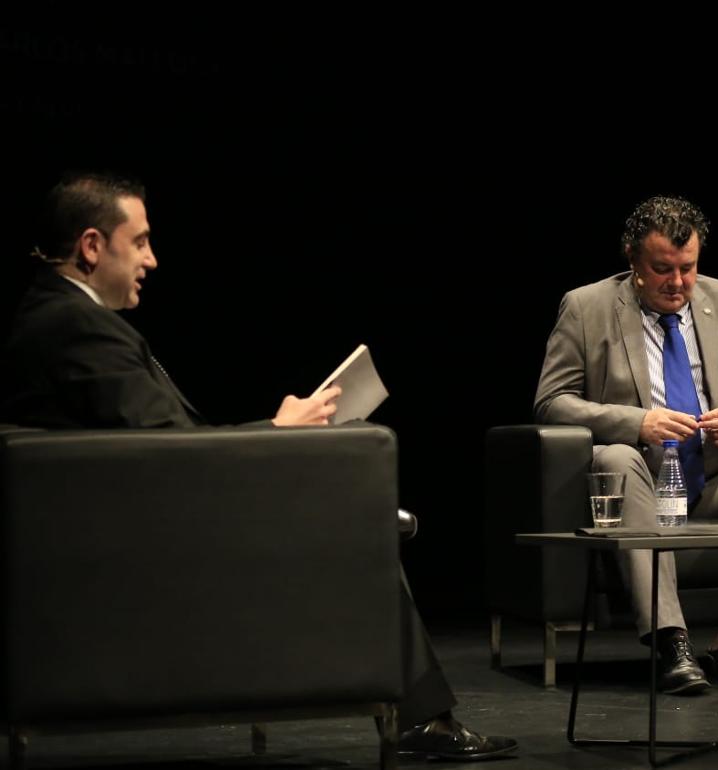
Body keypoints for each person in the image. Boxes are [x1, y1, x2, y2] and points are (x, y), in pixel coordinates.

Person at [0, 172, 516, 761]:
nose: (152, 259)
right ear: (92, 246)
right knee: (356, 527)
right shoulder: (73, 325)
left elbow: (159, 447)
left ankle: (422, 716)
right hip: (150, 544)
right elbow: (170, 456)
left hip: (141, 520)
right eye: (139, 241)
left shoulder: (61, 314)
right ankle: (425, 722)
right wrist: (278, 432)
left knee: (348, 501)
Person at [534, 195, 718, 695]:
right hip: (637, 482)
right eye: (661, 270)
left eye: (687, 268)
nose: (677, 283)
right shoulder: (586, 308)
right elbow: (552, 401)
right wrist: (638, 422)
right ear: (632, 261)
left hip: (712, 477)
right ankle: (672, 641)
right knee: (618, 455)